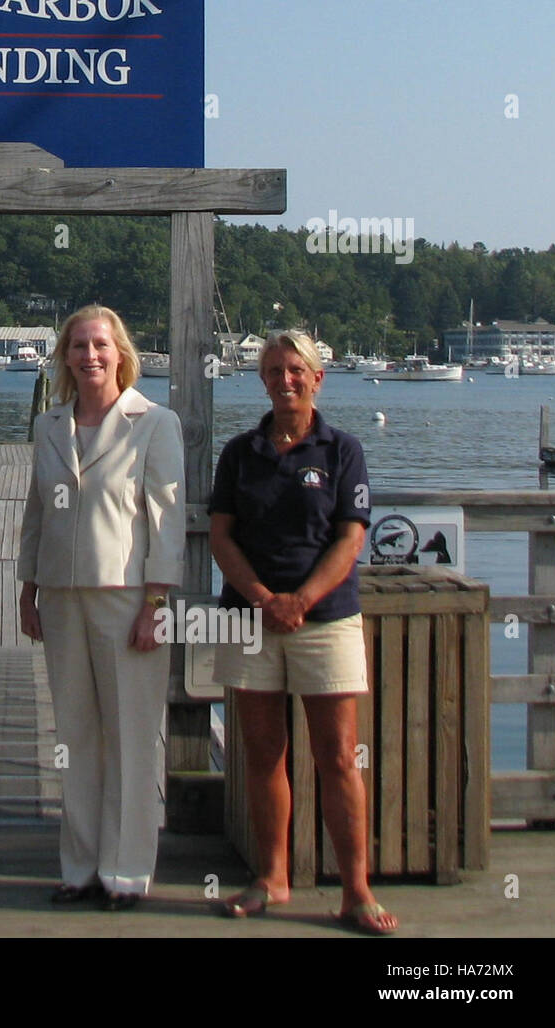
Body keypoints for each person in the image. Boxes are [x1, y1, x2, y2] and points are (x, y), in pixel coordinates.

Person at [210, 329, 398, 935]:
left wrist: (302, 600)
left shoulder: (343, 450)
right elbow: (220, 536)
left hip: (327, 619)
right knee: (264, 754)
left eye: (296, 370)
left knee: (339, 756)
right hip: (250, 616)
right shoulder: (239, 453)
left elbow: (351, 536)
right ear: (261, 379)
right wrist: (265, 598)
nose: (285, 380)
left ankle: (356, 891)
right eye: (273, 371)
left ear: (317, 378)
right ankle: (272, 878)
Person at [18, 306, 185, 909]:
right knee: (77, 737)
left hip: (128, 600)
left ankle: (127, 870)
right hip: (61, 599)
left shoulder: (154, 423)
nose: (90, 355)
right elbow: (36, 513)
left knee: (133, 738)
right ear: (65, 355)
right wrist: (27, 587)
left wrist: (156, 603)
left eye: (100, 345)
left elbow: (164, 524)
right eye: (79, 345)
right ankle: (80, 866)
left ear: (120, 353)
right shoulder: (48, 426)